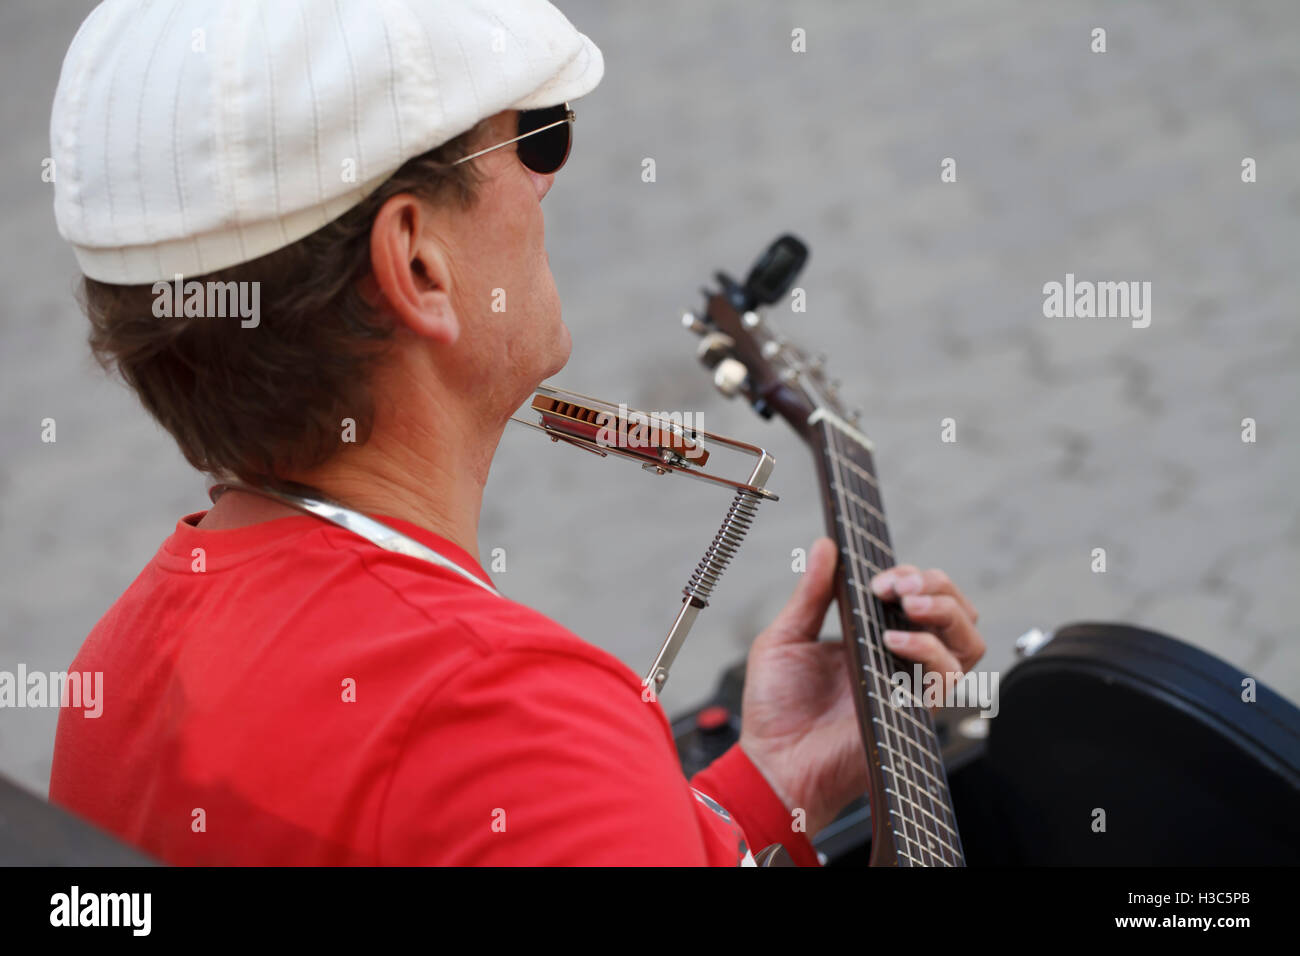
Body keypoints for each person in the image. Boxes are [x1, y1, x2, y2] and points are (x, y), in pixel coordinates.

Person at [47, 0, 985, 865]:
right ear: (418, 264)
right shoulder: (513, 723)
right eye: (536, 137)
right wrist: (602, 781)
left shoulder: (114, 672)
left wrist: (773, 776)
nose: (547, 183)